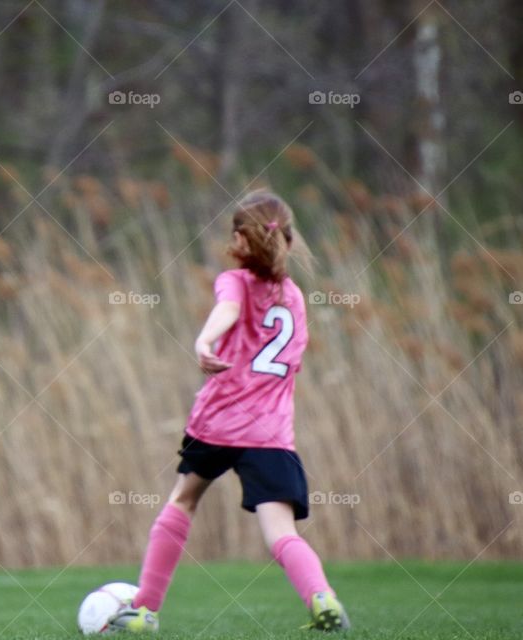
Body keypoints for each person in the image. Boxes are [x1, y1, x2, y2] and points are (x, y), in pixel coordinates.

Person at [114, 189, 350, 632]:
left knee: (183, 500)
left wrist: (204, 342)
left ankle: (144, 611)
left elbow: (227, 309)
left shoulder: (234, 281)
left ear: (239, 240)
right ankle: (322, 597)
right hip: (270, 436)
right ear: (289, 242)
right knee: (282, 533)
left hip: (217, 426)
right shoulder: (295, 298)